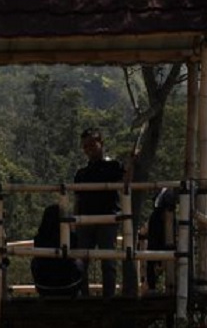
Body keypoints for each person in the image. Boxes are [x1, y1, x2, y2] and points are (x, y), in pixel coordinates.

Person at [74, 128, 124, 298]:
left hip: (108, 219)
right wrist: (75, 222)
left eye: (92, 145)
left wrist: (133, 163)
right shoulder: (81, 173)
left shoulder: (113, 166)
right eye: (85, 146)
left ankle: (108, 297)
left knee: (108, 261)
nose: (89, 149)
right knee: (81, 261)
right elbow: (77, 200)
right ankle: (84, 297)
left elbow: (127, 181)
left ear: (101, 144)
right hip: (85, 221)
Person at [31, 203, 83, 297]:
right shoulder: (71, 238)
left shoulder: (40, 238)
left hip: (45, 287)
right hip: (68, 286)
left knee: (35, 262)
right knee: (79, 262)